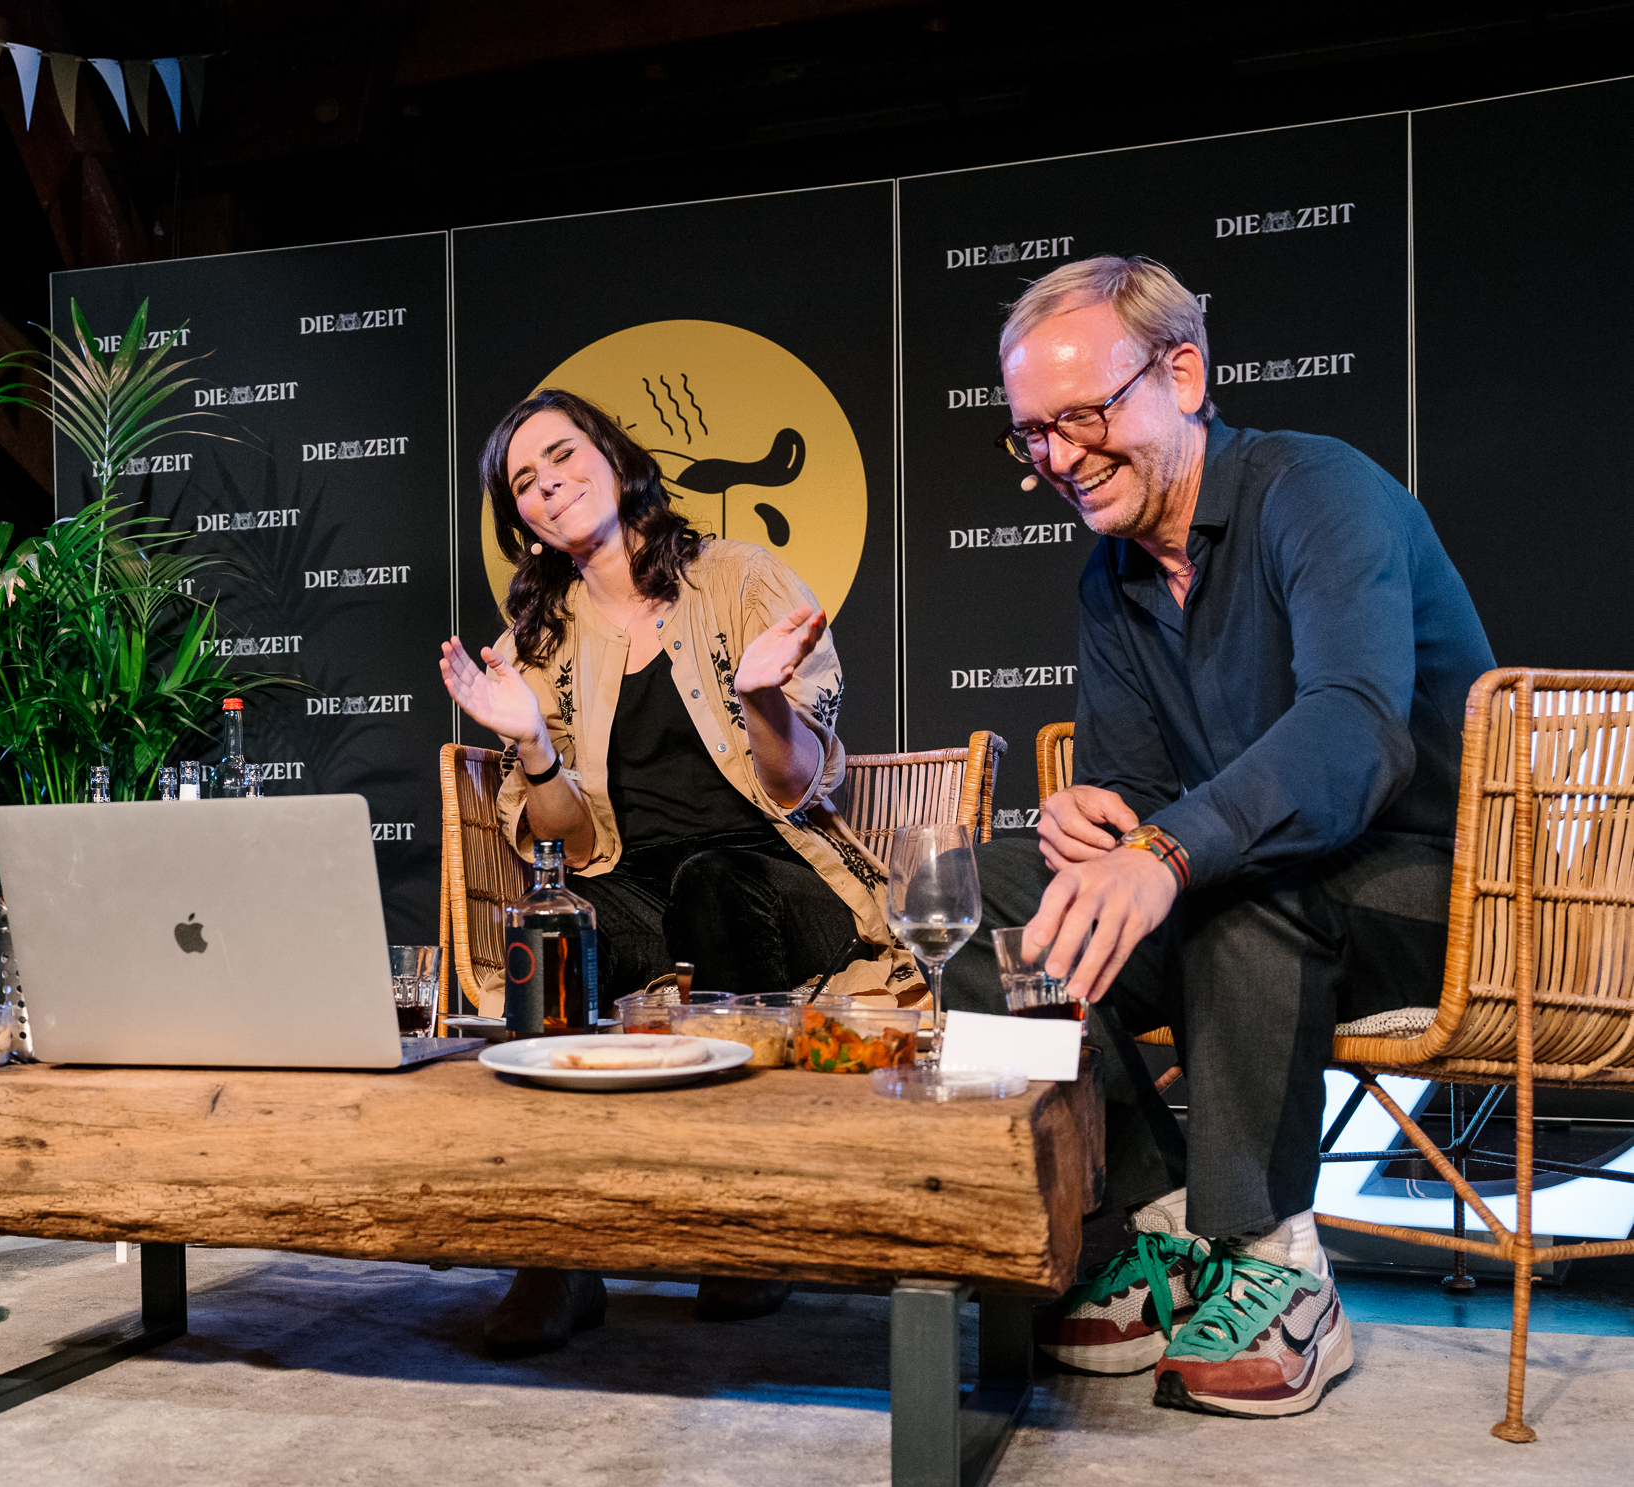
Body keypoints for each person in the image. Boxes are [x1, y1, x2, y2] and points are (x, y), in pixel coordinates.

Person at [948, 255, 1494, 1418]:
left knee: (1241, 889)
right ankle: (1142, 1230)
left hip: (1434, 890)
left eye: (1082, 415)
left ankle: (1274, 1261)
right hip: (1255, 880)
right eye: (1031, 433)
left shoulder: (1318, 491)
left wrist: (1163, 852)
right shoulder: (1109, 577)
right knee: (982, 901)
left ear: (1182, 375)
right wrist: (1093, 818)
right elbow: (1143, 791)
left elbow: (1354, 731)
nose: (1056, 458)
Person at [438, 388, 912, 1357]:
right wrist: (532, 745)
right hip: (639, 885)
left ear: (614, 457)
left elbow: (798, 786)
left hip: (776, 875)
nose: (546, 485)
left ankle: (748, 1225)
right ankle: (556, 1256)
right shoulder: (539, 642)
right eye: (523, 481)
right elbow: (570, 849)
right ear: (518, 517)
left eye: (561, 455)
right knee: (555, 927)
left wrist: (760, 697)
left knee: (711, 879)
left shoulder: (738, 578)